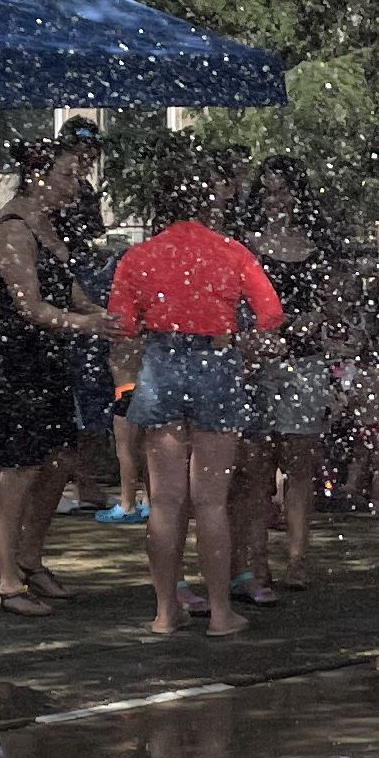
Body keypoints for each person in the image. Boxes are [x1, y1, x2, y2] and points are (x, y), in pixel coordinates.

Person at [108, 166, 282, 638]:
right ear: (212, 205)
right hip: (217, 364)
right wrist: (234, 330)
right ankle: (222, 612)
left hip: (161, 363)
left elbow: (122, 324)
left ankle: (166, 611)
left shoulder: (139, 257)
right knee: (211, 502)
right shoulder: (232, 252)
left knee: (165, 501)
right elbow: (271, 313)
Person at [0, 131, 112, 617]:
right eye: (67, 174)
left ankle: (30, 559)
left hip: (44, 357)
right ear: (36, 175)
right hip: (8, 359)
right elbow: (29, 306)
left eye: (79, 173)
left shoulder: (51, 224)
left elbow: (67, 288)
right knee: (20, 467)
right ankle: (8, 582)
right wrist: (86, 324)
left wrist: (103, 315)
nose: (76, 183)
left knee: (60, 458)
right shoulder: (11, 228)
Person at [227, 152, 335, 602]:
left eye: (285, 191)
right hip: (258, 362)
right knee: (254, 469)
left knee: (300, 464)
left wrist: (317, 316)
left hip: (304, 362)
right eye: (269, 192)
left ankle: (297, 557)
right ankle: (256, 561)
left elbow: (334, 294)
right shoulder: (243, 244)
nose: (278, 200)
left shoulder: (318, 242)